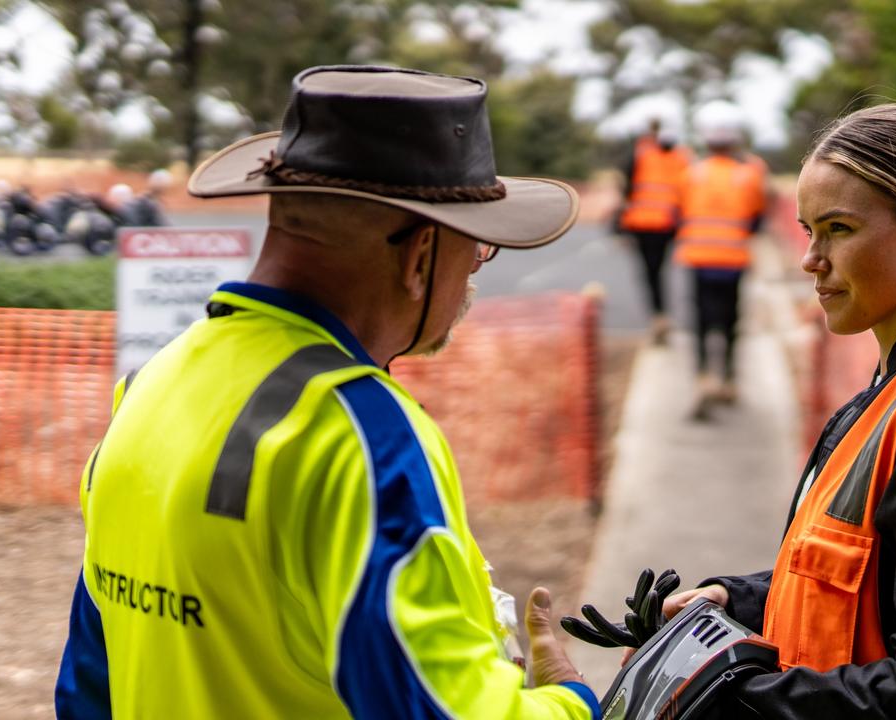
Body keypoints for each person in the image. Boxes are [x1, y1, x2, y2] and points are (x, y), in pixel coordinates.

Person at [55, 65, 600, 720]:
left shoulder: (148, 387)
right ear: (420, 255)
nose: (474, 278)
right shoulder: (359, 437)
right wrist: (570, 702)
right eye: (477, 250)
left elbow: (89, 687)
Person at [578, 103, 896, 719]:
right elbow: (870, 584)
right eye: (808, 229)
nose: (810, 258)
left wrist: (730, 702)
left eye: (838, 229)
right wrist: (728, 602)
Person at [674, 101, 767, 419]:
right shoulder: (748, 175)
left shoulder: (691, 173)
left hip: (698, 258)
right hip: (733, 260)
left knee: (701, 321)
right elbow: (756, 220)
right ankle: (727, 379)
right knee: (729, 321)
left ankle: (703, 377)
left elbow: (678, 214)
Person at [617, 122, 692, 344]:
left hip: (643, 223)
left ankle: (658, 315)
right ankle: (661, 316)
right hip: (668, 224)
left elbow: (626, 189)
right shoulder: (683, 156)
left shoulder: (641, 154)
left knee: (651, 272)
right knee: (659, 269)